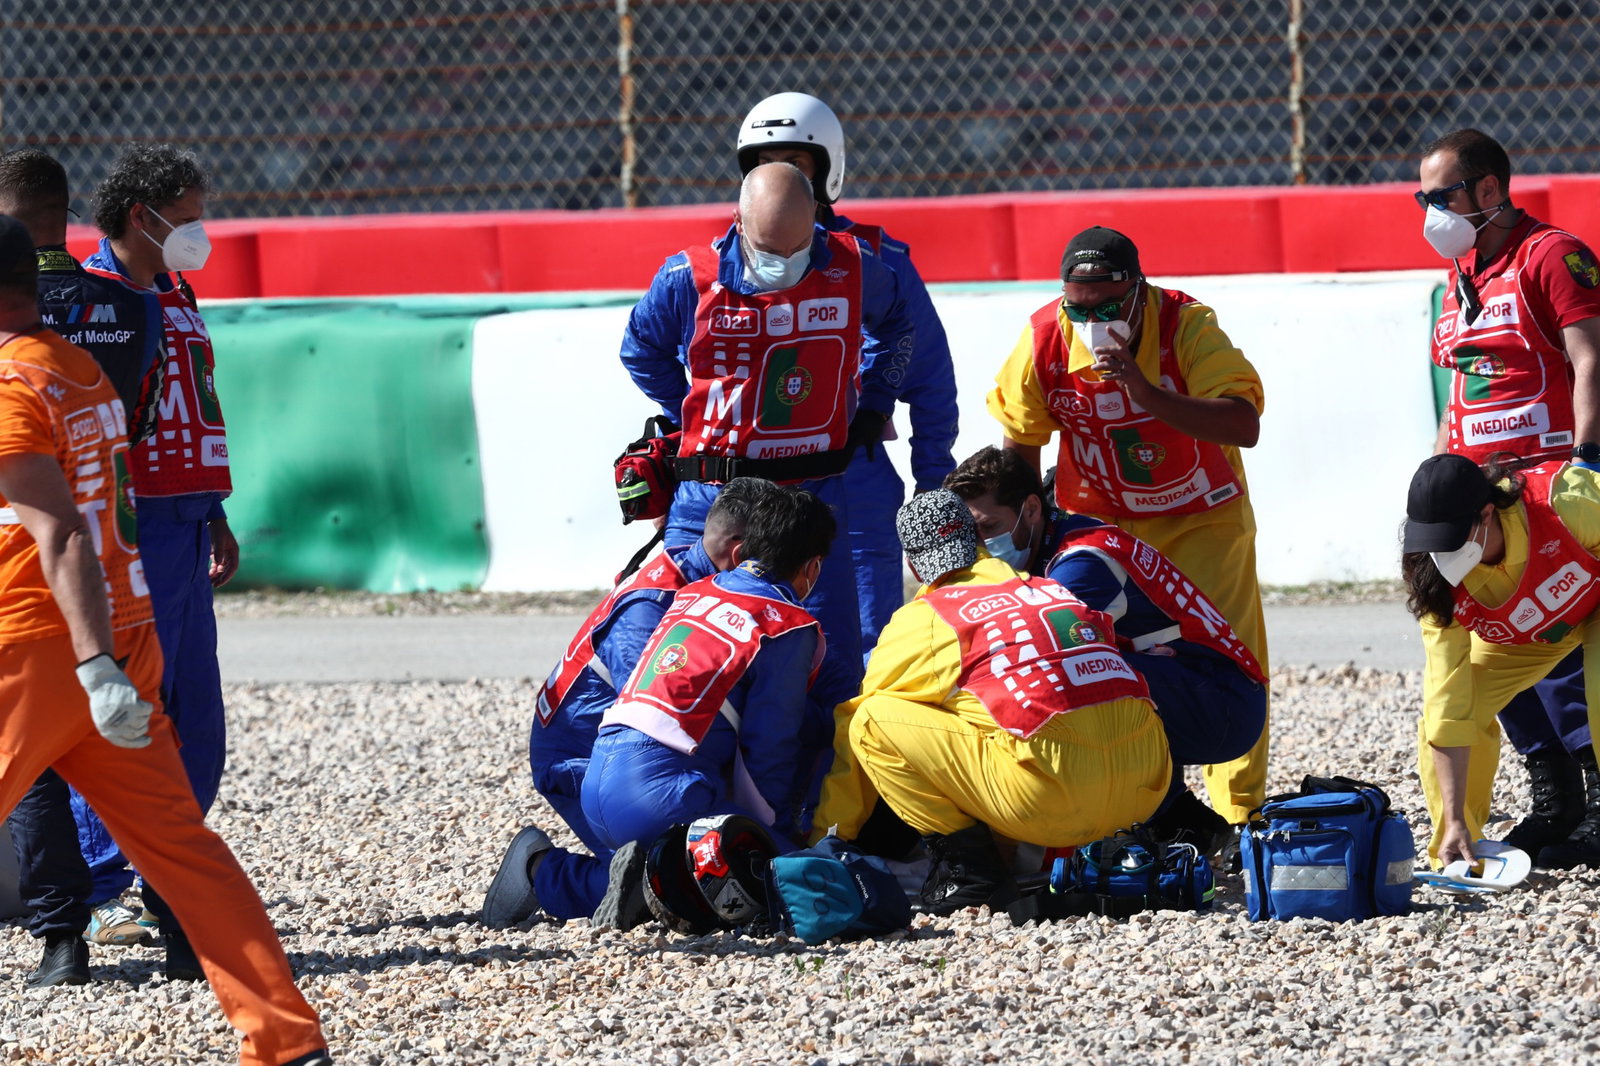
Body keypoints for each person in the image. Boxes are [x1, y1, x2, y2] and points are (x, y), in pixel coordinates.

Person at [0, 214, 331, 1066]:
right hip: (121, 631)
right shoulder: (80, 369)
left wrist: (90, 663)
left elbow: (63, 532)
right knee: (185, 854)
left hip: (43, 645)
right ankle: (288, 1043)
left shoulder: (8, 385)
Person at [986, 225, 1268, 826]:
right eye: (1077, 306)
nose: (1090, 320)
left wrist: (1145, 390)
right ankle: (1138, 800)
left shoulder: (1187, 326)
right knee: (1091, 654)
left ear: (1139, 293)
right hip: (1101, 521)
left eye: (1107, 306)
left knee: (1226, 652)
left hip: (1200, 513)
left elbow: (1243, 423)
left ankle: (1242, 811)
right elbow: (1020, 447)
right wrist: (1023, 534)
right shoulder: (1043, 337)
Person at [617, 160, 912, 734]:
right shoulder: (688, 277)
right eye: (769, 251)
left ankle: (824, 809)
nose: (784, 265)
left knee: (829, 662)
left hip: (814, 499)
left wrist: (875, 402)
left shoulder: (854, 265)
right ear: (738, 222)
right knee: (677, 645)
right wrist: (687, 410)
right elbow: (640, 349)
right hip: (713, 495)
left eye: (798, 249)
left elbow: (898, 325)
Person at [55, 143, 236, 970]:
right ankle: (101, 892)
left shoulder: (177, 288)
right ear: (144, 216)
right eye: (190, 215)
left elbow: (195, 398)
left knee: (197, 712)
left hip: (191, 519)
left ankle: (173, 880)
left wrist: (219, 515)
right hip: (139, 521)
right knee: (133, 705)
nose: (200, 230)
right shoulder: (98, 298)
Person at [821, 490, 1171, 914]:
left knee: (871, 720)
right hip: (1145, 792)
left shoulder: (930, 617)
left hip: (1051, 804)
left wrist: (830, 835)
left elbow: (857, 721)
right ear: (979, 541)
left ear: (913, 564)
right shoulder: (1053, 591)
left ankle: (970, 872)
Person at [0, 148, 169, 969]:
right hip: (122, 556)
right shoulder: (123, 306)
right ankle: (179, 930)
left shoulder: (8, 350)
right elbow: (135, 423)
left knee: (31, 768)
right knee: (149, 756)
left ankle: (62, 938)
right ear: (63, 213)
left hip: (24, 575)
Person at [481, 478, 779, 926]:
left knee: (717, 870)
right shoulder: (652, 604)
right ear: (739, 555)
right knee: (696, 879)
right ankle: (541, 871)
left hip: (611, 744)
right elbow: (654, 712)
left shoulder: (691, 574)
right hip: (580, 756)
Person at [1417, 128, 1600, 858]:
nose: (1431, 211)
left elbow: (1591, 359)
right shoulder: (1462, 276)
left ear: (1489, 190)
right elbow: (1457, 396)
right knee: (1484, 622)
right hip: (1477, 489)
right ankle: (1552, 786)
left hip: (1555, 481)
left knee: (1561, 633)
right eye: (1423, 197)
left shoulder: (1551, 255)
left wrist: (1588, 457)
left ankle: (1589, 773)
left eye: (1442, 196)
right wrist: (1432, 480)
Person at [943, 445, 1266, 855]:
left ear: (1031, 509)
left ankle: (1127, 821)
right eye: (970, 533)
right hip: (1202, 687)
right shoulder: (1060, 539)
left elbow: (1029, 654)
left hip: (1224, 706)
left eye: (987, 527)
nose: (980, 544)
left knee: (1065, 674)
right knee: (1084, 669)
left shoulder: (1082, 561)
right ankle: (1181, 823)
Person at [736, 92, 958, 655]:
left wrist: (931, 490)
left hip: (851, 475)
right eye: (767, 163)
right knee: (743, 632)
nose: (782, 175)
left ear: (828, 169)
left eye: (798, 162)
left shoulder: (877, 262)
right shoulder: (720, 261)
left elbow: (930, 377)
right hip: (747, 477)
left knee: (862, 643)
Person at [579, 485, 836, 929]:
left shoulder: (696, 590)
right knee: (802, 883)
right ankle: (651, 888)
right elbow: (770, 746)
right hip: (663, 796)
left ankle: (550, 875)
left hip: (597, 779)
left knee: (708, 868)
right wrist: (773, 834)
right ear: (812, 567)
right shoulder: (785, 623)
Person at [1401, 452, 1600, 869]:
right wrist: (1454, 817)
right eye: (1432, 542)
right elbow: (1448, 701)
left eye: (1452, 538)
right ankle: (1457, 850)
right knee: (1448, 715)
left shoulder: (1566, 503)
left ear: (1487, 513)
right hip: (1529, 636)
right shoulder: (1434, 578)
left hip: (1594, 603)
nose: (1442, 554)